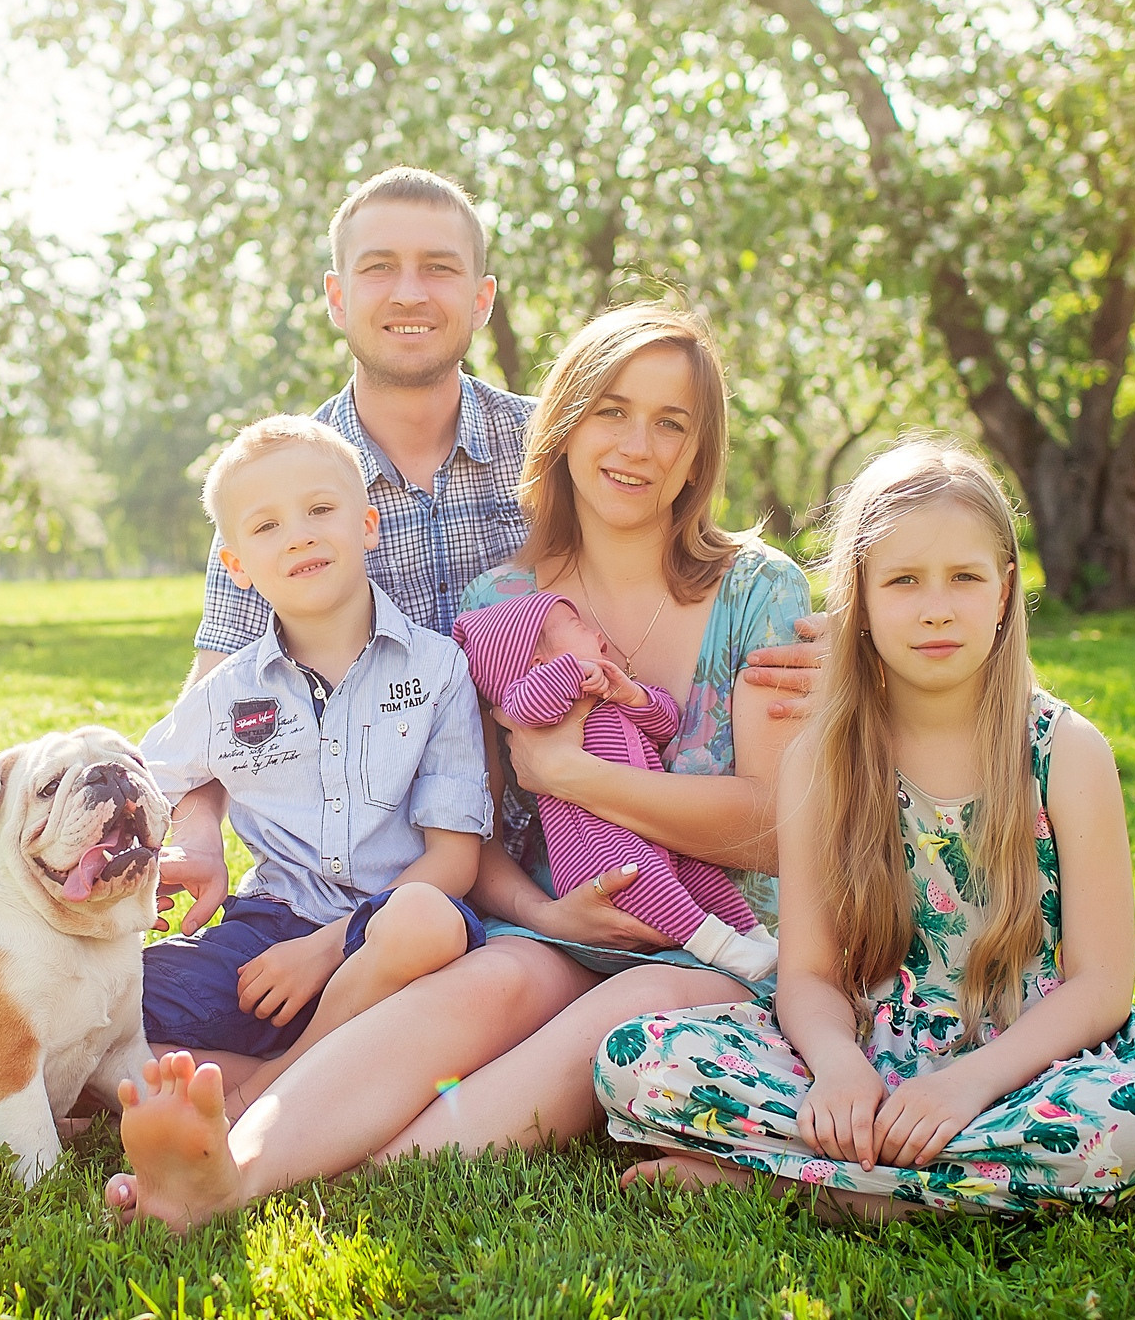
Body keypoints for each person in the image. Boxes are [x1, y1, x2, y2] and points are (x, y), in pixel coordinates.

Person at [107, 302, 813, 1231]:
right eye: (611, 410)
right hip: (555, 932)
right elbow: (476, 831)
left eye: (672, 421)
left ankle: (272, 1176)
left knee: (620, 1010)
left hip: (716, 943)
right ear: (562, 425)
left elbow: (771, 829)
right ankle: (232, 1166)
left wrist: (578, 777)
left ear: (699, 449)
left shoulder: (761, 591)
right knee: (488, 988)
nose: (638, 443)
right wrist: (548, 914)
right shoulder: (501, 603)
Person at [591, 440, 1135, 1217]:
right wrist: (838, 1069)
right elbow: (805, 972)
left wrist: (969, 1082)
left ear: (1005, 592)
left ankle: (804, 1190)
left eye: (964, 578)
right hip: (867, 1053)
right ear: (859, 599)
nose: (936, 606)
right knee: (635, 1061)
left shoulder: (1065, 752)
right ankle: (934, 1189)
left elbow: (1102, 986)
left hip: (1028, 1065)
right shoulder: (821, 760)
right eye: (904, 580)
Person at [135, 416, 493, 1103]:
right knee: (114, 1004)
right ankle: (334, 1064)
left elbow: (454, 863)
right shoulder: (229, 692)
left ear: (367, 523)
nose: (298, 533)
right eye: (266, 526)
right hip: (267, 937)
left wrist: (324, 951)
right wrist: (191, 840)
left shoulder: (437, 668)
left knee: (425, 918)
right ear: (236, 564)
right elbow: (148, 779)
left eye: (320, 509)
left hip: (394, 944)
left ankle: (264, 1090)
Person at [186, 167, 536, 678]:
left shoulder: (554, 445)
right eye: (379, 267)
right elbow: (215, 696)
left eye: (439, 267)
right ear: (337, 298)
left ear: (481, 300)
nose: (410, 294)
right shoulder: (273, 476)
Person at [452, 590, 779, 981]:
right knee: (640, 878)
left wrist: (633, 695)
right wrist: (571, 671)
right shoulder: (535, 700)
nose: (597, 636)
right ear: (537, 662)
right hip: (594, 849)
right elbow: (523, 705)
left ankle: (755, 935)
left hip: (649, 834)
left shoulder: (607, 696)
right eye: (580, 629)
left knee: (701, 873)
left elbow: (666, 723)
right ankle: (720, 947)